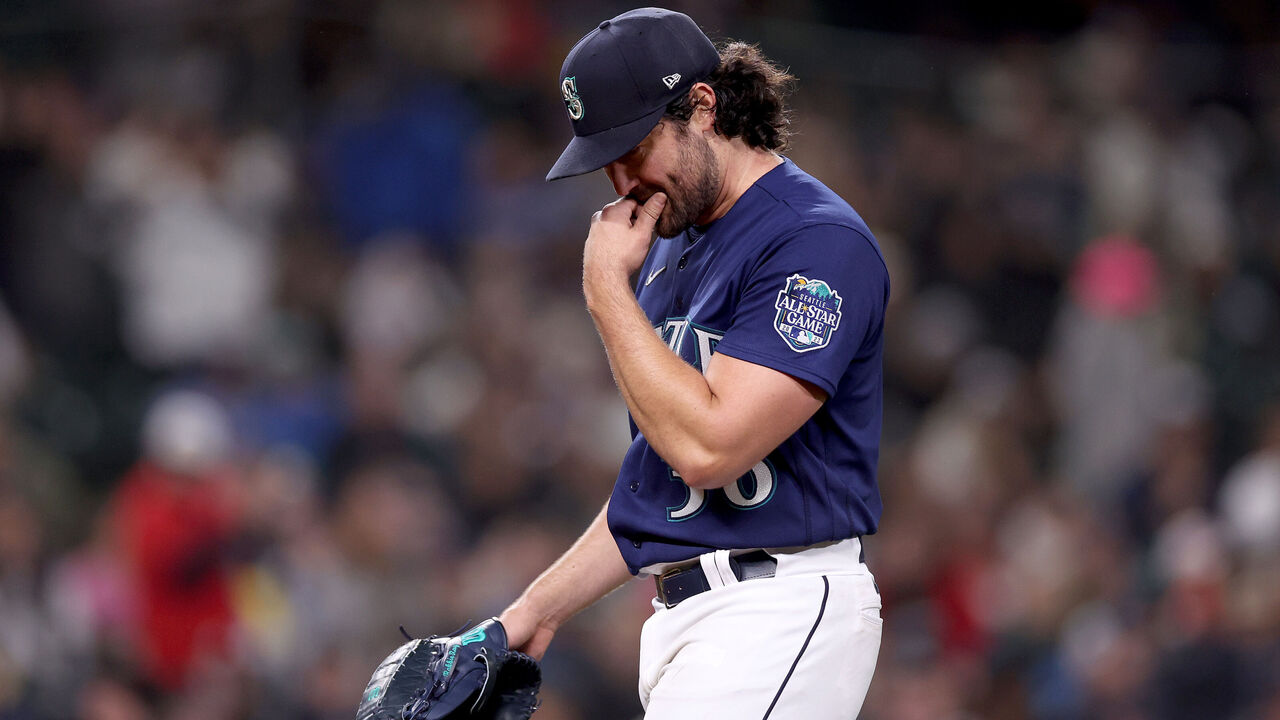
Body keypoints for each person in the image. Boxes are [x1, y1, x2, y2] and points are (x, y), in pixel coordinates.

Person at [499, 8, 888, 718]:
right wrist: (527, 616)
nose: (621, 180)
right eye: (603, 160)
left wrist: (603, 292)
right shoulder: (672, 244)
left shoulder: (814, 242)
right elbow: (658, 487)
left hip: (780, 606)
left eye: (634, 147)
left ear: (702, 107)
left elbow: (710, 450)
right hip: (694, 620)